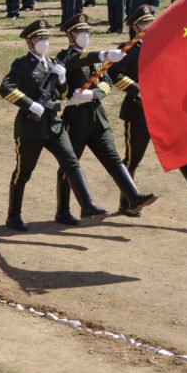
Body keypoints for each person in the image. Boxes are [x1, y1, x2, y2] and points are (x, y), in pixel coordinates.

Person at [108, 6, 187, 214]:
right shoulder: (127, 49)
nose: (150, 26)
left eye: (151, 21)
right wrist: (137, 90)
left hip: (162, 110)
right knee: (133, 158)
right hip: (138, 112)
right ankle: (127, 202)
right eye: (144, 23)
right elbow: (113, 75)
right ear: (135, 27)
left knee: (178, 147)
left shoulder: (161, 45)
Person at [0, 18, 108, 232]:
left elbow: (62, 95)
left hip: (54, 124)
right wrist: (29, 105)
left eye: (46, 37)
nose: (44, 41)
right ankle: (13, 216)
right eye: (39, 38)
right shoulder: (21, 64)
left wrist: (63, 80)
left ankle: (81, 206)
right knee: (24, 172)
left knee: (71, 162)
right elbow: (5, 88)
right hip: (30, 127)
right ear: (29, 42)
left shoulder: (52, 64)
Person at [54, 13, 157, 224]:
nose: (84, 35)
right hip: (76, 121)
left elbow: (107, 80)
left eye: (86, 31)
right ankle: (63, 210)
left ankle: (133, 197)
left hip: (97, 118)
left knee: (113, 159)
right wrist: (102, 55)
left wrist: (93, 94)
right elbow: (75, 62)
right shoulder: (65, 57)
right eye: (80, 32)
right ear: (70, 36)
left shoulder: (91, 58)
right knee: (69, 165)